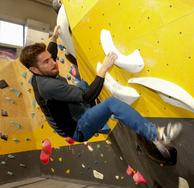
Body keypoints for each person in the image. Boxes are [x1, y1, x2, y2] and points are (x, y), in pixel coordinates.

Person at [19, 26, 181, 158]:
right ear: (34, 69)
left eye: (50, 58)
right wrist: (104, 68)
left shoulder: (39, 71)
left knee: (81, 84)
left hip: (73, 113)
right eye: (47, 62)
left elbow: (51, 53)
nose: (53, 63)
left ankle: (98, 118)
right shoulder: (47, 86)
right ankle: (157, 136)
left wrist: (53, 37)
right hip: (78, 128)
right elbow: (88, 96)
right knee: (111, 104)